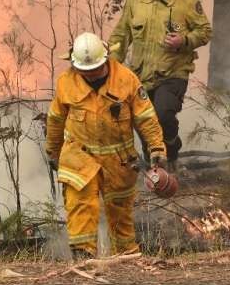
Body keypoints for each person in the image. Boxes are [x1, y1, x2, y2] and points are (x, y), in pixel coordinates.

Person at [46, 32, 166, 259]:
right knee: (81, 205)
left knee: (120, 212)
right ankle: (84, 258)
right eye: (85, 71)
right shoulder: (66, 83)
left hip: (119, 160)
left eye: (95, 70)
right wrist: (53, 151)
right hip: (79, 156)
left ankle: (126, 258)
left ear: (107, 59)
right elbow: (55, 119)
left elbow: (146, 117)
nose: (90, 75)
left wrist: (157, 148)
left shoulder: (126, 79)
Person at [108, 0, 212, 169]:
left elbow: (204, 31)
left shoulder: (186, 1)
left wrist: (183, 40)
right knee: (143, 123)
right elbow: (120, 36)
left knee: (163, 114)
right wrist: (112, 66)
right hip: (140, 76)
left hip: (173, 72)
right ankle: (155, 171)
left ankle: (172, 149)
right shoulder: (135, 1)